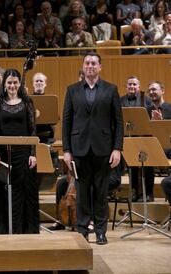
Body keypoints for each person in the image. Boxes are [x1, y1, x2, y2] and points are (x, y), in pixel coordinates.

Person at [62, 52, 123, 245]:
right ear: (83, 66)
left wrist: (117, 148)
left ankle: (100, 231)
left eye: (93, 63)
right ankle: (82, 230)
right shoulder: (72, 90)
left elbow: (118, 122)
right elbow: (66, 122)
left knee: (100, 192)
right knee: (82, 193)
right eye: (87, 63)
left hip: (103, 149)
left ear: (100, 67)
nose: (90, 66)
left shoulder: (111, 89)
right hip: (79, 149)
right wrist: (66, 150)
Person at [0, 68, 39, 234]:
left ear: (19, 84)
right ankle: (5, 230)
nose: (12, 85)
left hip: (24, 154)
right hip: (4, 153)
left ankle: (24, 231)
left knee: (23, 192)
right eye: (9, 82)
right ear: (4, 84)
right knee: (3, 192)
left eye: (15, 82)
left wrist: (33, 153)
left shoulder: (27, 102)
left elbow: (32, 130)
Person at [120, 76, 153, 202]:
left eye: (134, 84)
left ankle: (149, 193)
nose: (132, 86)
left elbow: (150, 117)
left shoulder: (147, 99)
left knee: (148, 166)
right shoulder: (121, 100)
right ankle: (134, 192)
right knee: (132, 166)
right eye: (129, 84)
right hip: (129, 138)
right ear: (126, 86)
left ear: (139, 87)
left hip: (145, 137)